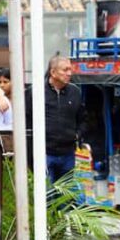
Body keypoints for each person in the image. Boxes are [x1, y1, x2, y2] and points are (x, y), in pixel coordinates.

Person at [36, 55, 86, 184]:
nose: (69, 73)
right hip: (45, 153)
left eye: (70, 69)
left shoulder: (75, 92)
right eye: (65, 70)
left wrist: (78, 134)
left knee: (66, 193)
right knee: (47, 192)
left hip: (68, 153)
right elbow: (27, 119)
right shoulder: (37, 92)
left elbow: (82, 118)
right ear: (53, 72)